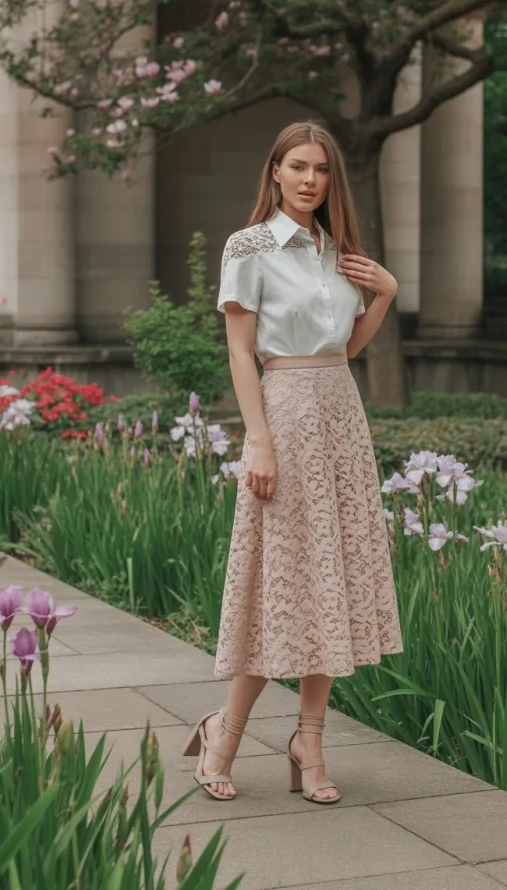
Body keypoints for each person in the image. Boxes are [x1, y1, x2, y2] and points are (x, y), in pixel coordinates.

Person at [182, 119, 403, 804]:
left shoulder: (336, 250)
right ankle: (226, 731)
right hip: (284, 413)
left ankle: (310, 739)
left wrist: (386, 294)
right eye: (299, 166)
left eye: (322, 169)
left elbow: (347, 345)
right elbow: (240, 351)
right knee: (277, 586)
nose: (311, 179)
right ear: (275, 171)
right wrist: (259, 438)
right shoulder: (249, 245)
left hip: (341, 413)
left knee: (327, 582)